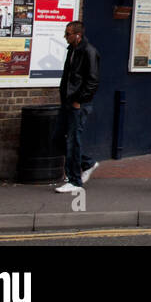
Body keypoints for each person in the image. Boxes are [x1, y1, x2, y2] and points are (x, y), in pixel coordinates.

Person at [55, 20, 100, 193]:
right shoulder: (73, 50)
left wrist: (79, 100)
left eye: (68, 34)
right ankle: (87, 163)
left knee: (73, 140)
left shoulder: (89, 52)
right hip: (67, 102)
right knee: (58, 139)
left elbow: (93, 80)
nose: (65, 37)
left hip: (78, 104)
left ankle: (74, 181)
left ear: (77, 35)